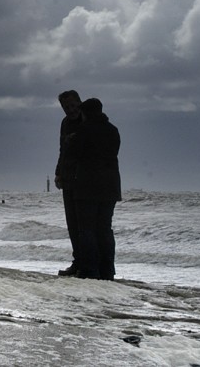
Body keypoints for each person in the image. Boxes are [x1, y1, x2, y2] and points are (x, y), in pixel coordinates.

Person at [67, 97, 121, 280]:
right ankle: (108, 269)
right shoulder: (113, 131)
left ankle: (90, 269)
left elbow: (74, 154)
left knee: (87, 230)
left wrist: (71, 141)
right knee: (105, 229)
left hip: (87, 186)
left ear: (85, 113)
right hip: (111, 186)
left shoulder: (83, 130)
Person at [53, 90, 82, 276]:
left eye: (72, 105)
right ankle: (77, 262)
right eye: (66, 107)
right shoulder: (65, 123)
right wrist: (58, 173)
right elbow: (62, 150)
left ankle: (86, 264)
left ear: (79, 102)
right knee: (72, 224)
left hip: (83, 179)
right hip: (68, 178)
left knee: (83, 225)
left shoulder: (87, 121)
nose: (70, 110)